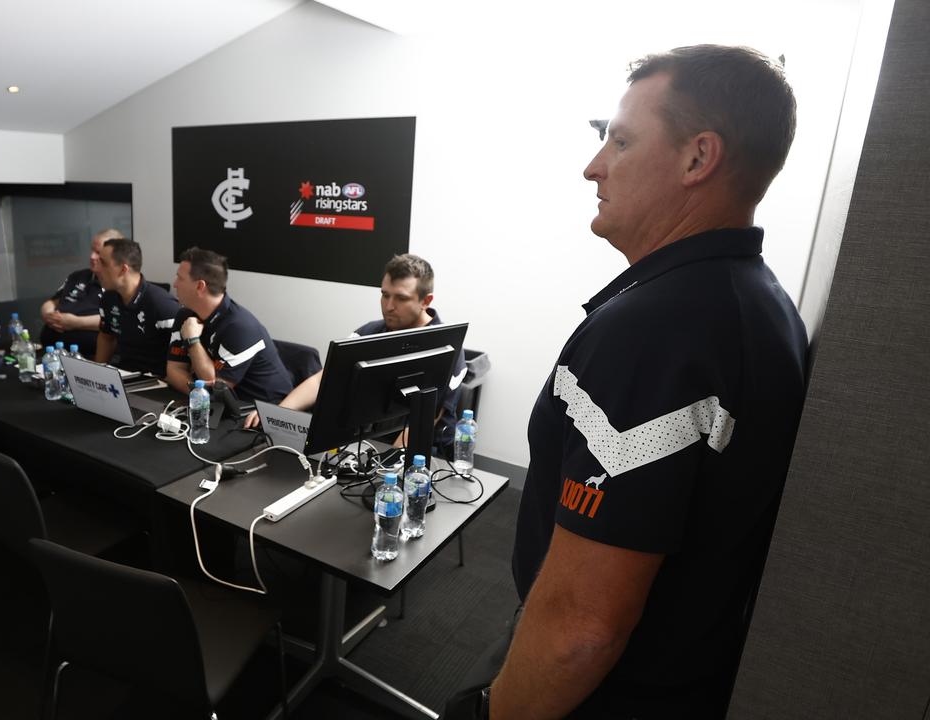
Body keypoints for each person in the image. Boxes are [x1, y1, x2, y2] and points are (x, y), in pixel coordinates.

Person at [449, 46, 808, 720]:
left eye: (619, 140)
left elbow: (582, 633)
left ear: (698, 159)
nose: (593, 166)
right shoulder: (754, 301)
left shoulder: (658, 329)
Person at [244, 253, 467, 454]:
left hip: (424, 449)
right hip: (370, 441)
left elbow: (428, 418)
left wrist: (389, 463)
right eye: (384, 295)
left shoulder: (448, 346)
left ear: (425, 301)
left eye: (400, 298)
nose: (388, 306)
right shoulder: (370, 332)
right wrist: (278, 416)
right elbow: (324, 379)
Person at [166, 247, 292, 403]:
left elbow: (216, 389)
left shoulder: (240, 327)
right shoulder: (185, 314)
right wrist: (200, 394)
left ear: (200, 286)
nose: (175, 284)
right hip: (218, 407)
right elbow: (173, 370)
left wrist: (192, 341)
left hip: (260, 412)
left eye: (180, 278)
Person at [93, 237, 180, 376]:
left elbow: (186, 356)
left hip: (157, 382)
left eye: (103, 263)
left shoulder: (162, 304)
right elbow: (106, 337)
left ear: (123, 269)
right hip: (123, 374)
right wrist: (96, 375)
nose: (96, 268)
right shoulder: (108, 297)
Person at [39, 227, 124, 352]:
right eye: (92, 250)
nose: (92, 256)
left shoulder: (117, 284)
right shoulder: (77, 276)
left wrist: (75, 322)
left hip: (88, 355)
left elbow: (117, 320)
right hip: (51, 352)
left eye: (98, 252)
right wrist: (49, 315)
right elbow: (52, 302)